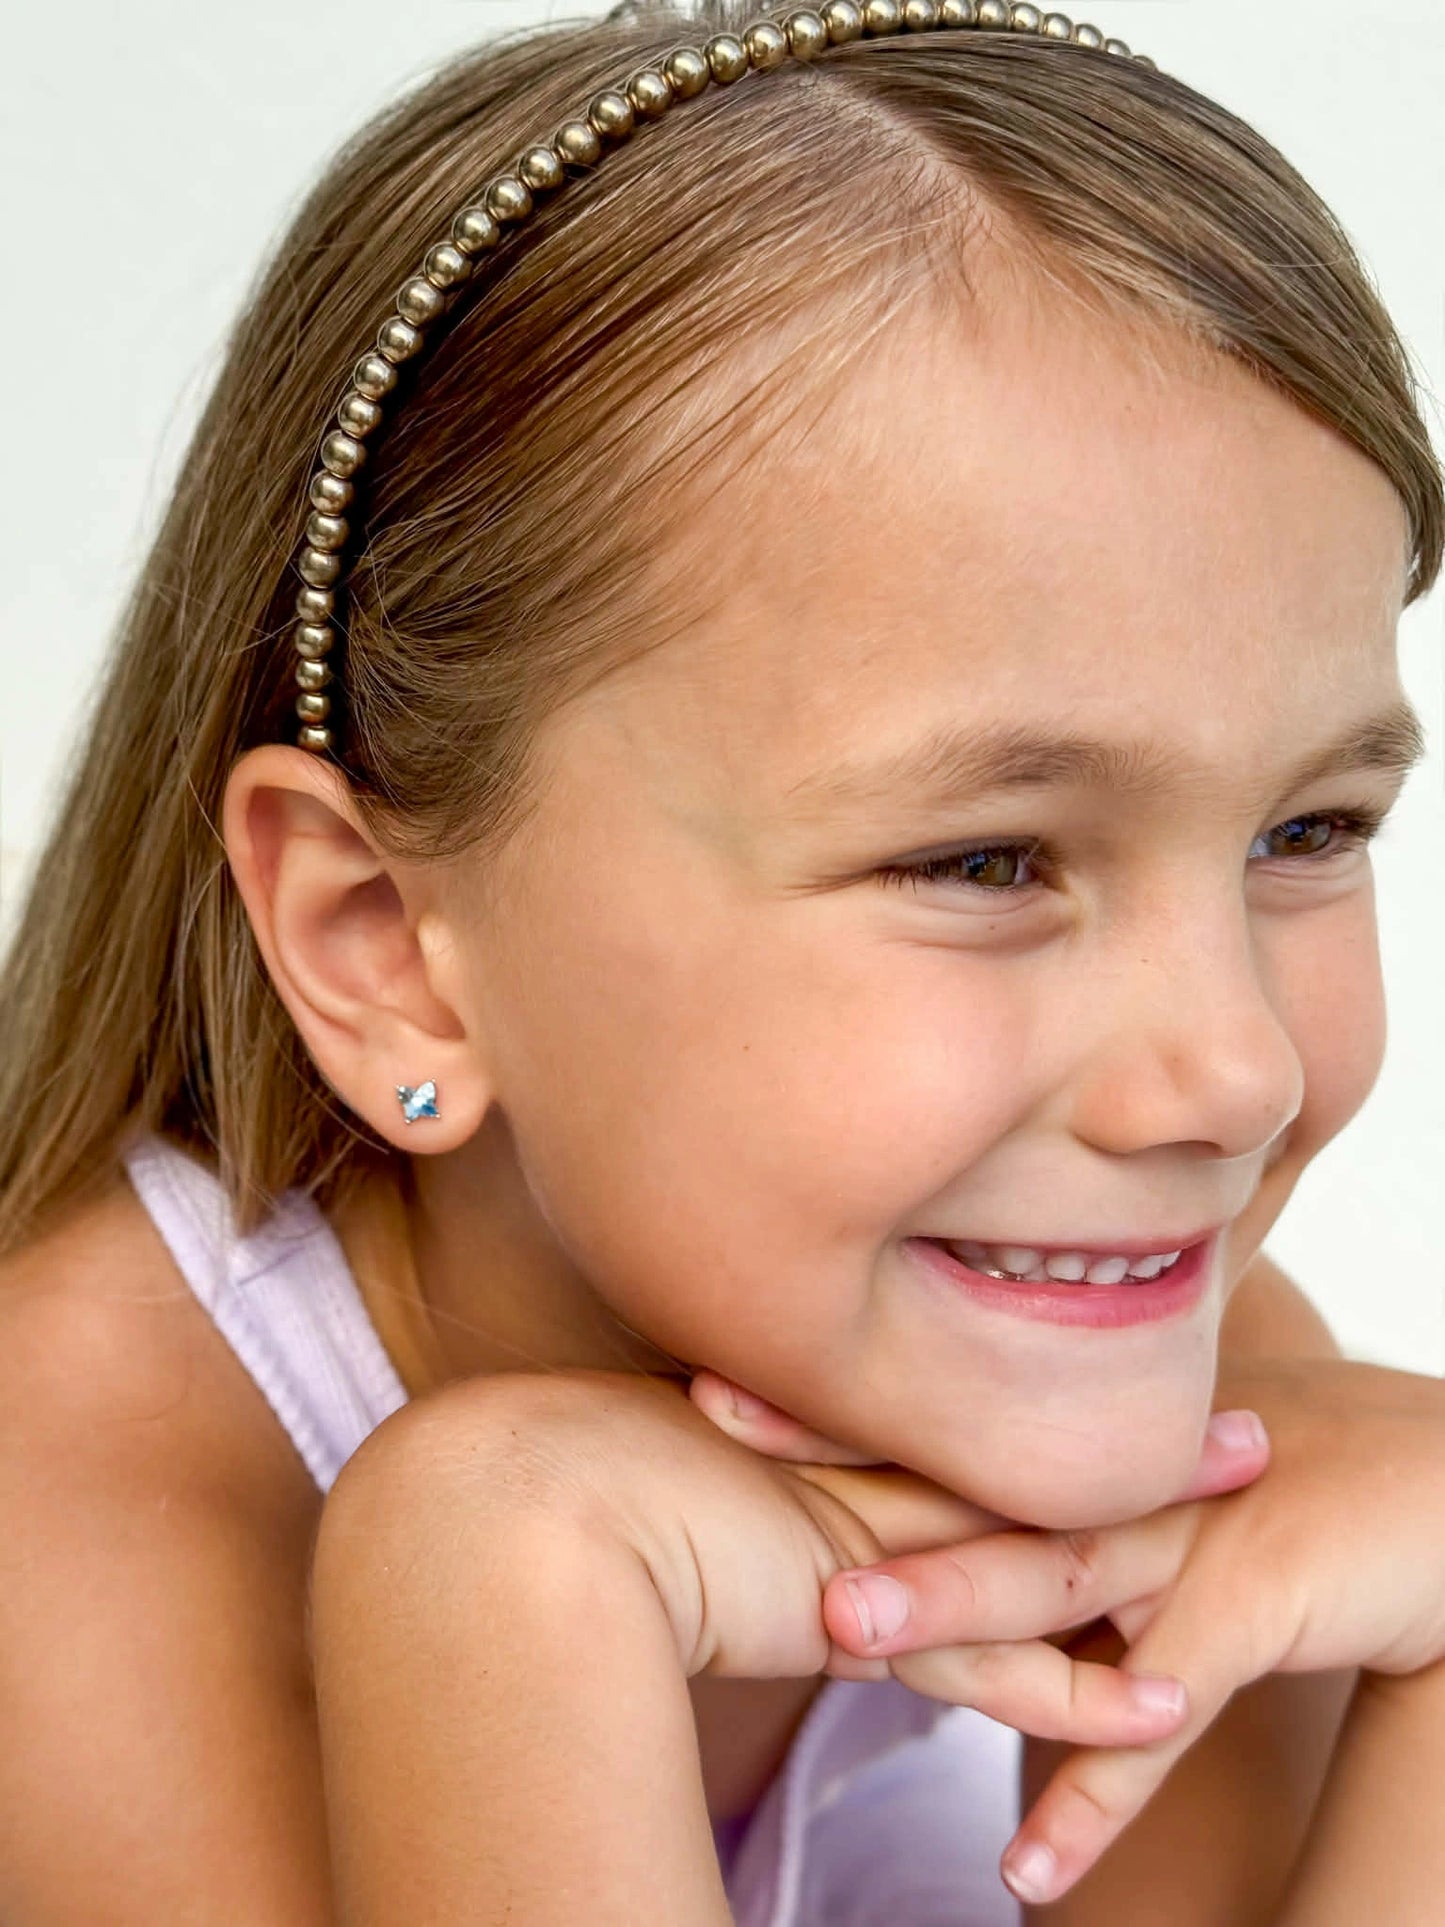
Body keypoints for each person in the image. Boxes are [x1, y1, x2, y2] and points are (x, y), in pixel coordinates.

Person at [0, 1, 1440, 1920]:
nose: (1232, 1076)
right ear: (383, 950)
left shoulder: (1204, 1398)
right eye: (984, 856)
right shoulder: (58, 1539)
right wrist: (504, 1579)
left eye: (1307, 833)